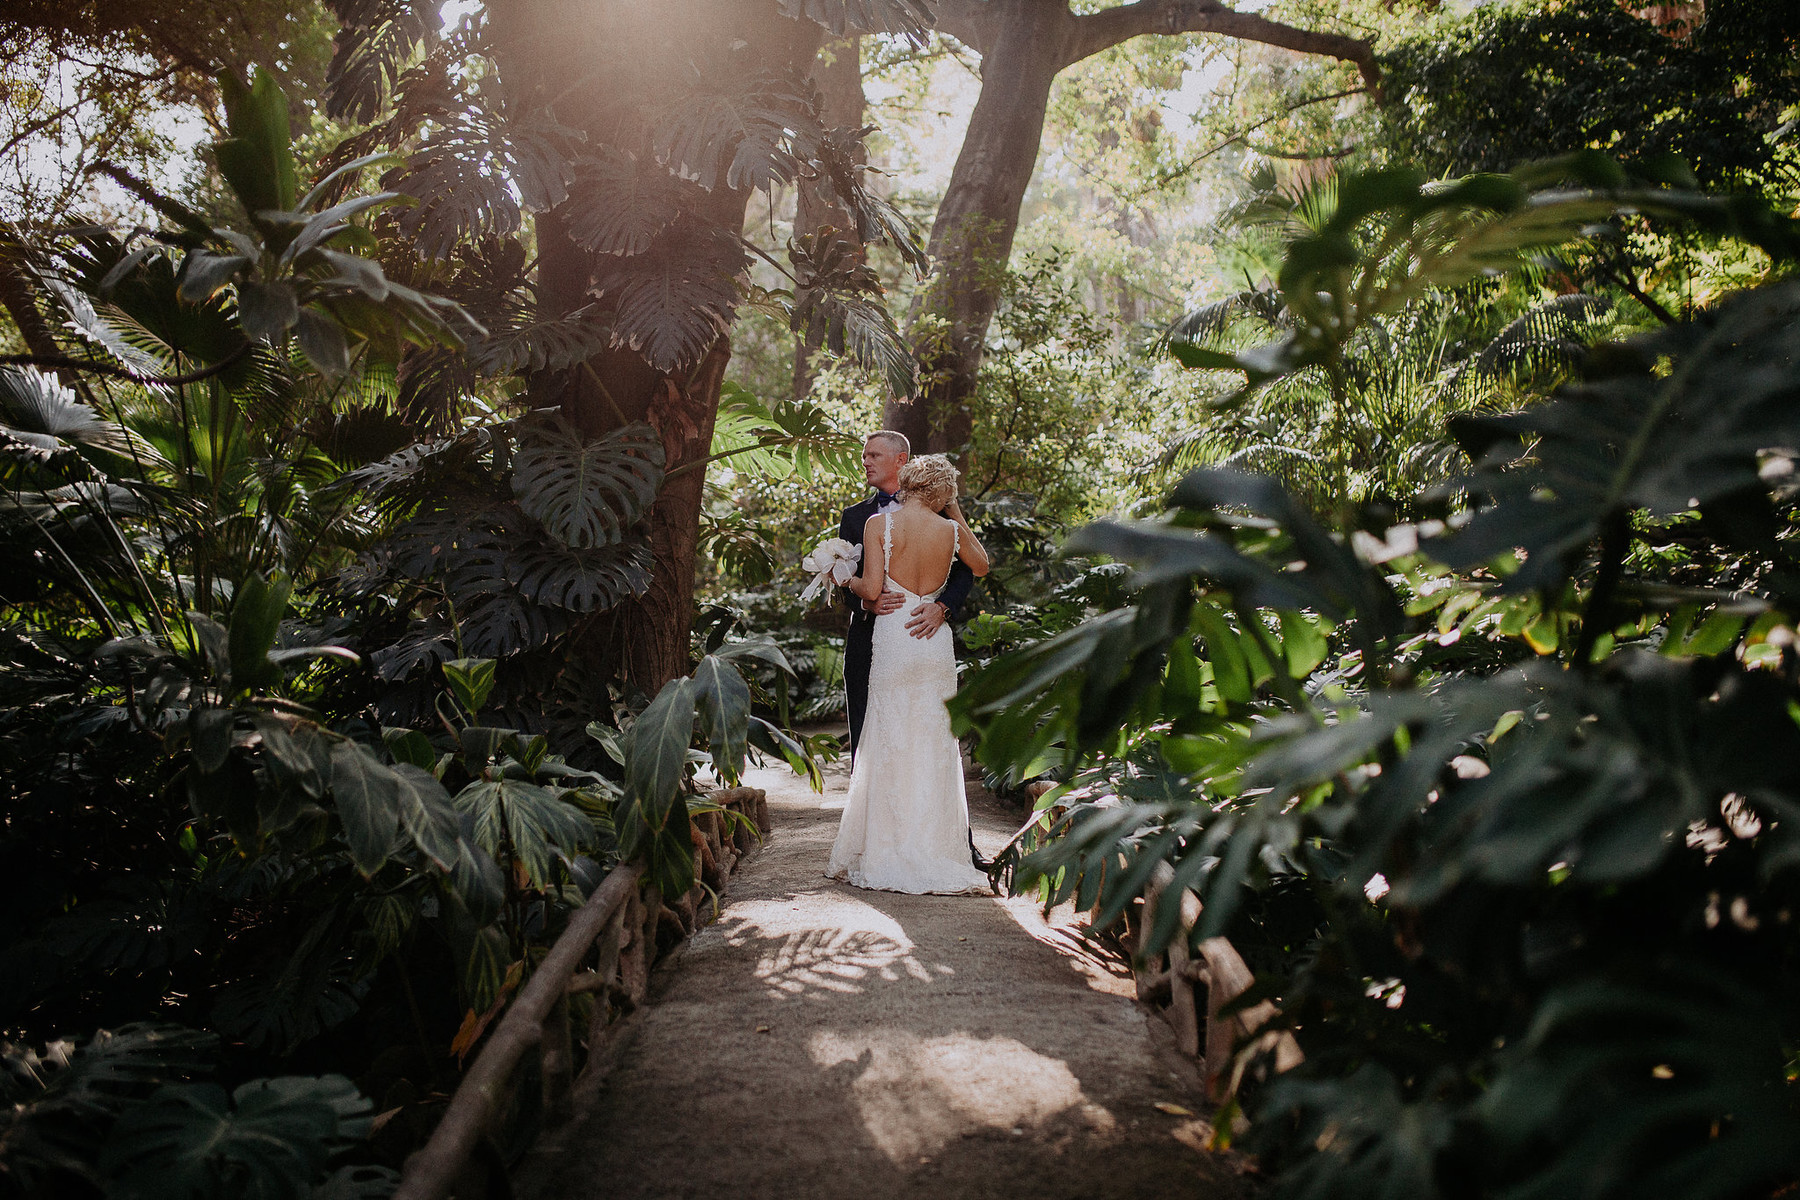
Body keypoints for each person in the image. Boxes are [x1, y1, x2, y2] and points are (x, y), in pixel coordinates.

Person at [826, 453, 993, 894]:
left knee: (888, 734)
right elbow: (982, 565)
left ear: (908, 481)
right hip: (933, 644)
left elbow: (874, 589)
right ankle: (934, 848)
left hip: (896, 639)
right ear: (942, 492)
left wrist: (844, 577)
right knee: (935, 740)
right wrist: (953, 509)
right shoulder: (951, 531)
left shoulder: (881, 526)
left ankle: (888, 848)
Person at [836, 431, 973, 757]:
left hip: (925, 635)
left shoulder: (940, 509)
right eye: (864, 455)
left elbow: (967, 572)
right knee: (866, 728)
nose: (865, 461)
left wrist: (942, 607)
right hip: (866, 639)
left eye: (874, 455)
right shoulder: (854, 517)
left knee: (927, 728)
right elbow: (844, 579)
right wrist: (866, 600)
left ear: (901, 460)